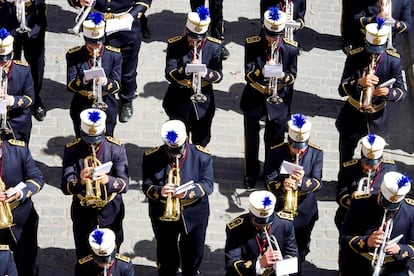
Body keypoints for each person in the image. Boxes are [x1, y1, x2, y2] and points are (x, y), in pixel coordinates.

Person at [142, 119, 214, 275]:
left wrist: (187, 193)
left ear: (186, 140)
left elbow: (208, 185)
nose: (175, 155)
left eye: (179, 150)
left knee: (193, 253)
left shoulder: (202, 156)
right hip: (162, 212)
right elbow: (146, 185)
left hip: (194, 213)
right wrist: (159, 191)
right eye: (170, 151)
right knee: (166, 253)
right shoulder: (151, 157)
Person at [61, 108, 129, 263]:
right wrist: (80, 181)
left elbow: (125, 184)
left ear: (104, 130)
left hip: (110, 208)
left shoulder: (116, 148)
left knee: (113, 247)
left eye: (97, 139)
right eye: (88, 139)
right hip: (83, 210)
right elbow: (65, 186)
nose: (93, 144)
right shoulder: (72, 149)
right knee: (84, 250)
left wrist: (108, 180)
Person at [241, 7, 298, 189]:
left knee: (275, 139)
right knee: (251, 138)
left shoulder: (289, 48)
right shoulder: (253, 44)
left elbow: (293, 75)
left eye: (276, 36)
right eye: (269, 35)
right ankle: (251, 171)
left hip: (279, 97)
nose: (273, 39)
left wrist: (281, 75)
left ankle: (270, 172)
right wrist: (262, 71)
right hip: (256, 95)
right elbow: (248, 74)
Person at [67, 0, 152, 123]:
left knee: (128, 71)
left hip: (125, 27)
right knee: (98, 64)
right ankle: (99, 93)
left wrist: (133, 14)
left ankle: (127, 99)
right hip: (96, 25)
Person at [335, 19, 406, 166]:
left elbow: (401, 91)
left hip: (377, 118)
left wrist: (388, 92)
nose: (374, 56)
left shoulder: (393, 61)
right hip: (353, 115)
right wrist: (359, 83)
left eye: (378, 51)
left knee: (371, 159)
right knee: (346, 156)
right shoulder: (355, 56)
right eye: (371, 50)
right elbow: (342, 89)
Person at [264, 113, 322, 270]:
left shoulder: (316, 153)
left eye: (301, 148)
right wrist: (283, 185)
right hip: (280, 206)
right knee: (278, 240)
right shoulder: (276, 152)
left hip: (304, 207)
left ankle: (296, 267)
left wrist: (302, 182)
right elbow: (268, 180)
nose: (297, 152)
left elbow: (317, 183)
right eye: (294, 147)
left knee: (301, 243)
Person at [163, 6, 223, 147]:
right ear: (186, 31)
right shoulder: (175, 44)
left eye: (199, 39)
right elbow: (169, 73)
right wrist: (186, 69)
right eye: (191, 37)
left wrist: (205, 72)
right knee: (178, 139)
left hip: (204, 100)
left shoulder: (214, 47)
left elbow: (219, 75)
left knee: (202, 138)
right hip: (178, 97)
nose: (194, 42)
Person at [340, 171, 414, 275]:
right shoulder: (359, 204)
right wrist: (366, 242)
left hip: (394, 269)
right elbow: (344, 238)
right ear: (379, 190)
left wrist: (401, 249)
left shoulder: (411, 211)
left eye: (393, 206)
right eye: (384, 202)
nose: (387, 209)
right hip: (361, 266)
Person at [66, 12, 122, 137]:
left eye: (99, 43)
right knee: (81, 136)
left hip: (106, 101)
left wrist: (105, 82)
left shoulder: (114, 55)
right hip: (82, 102)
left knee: (107, 136)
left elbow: (117, 85)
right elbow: (70, 86)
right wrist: (84, 79)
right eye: (92, 43)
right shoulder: (74, 55)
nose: (96, 47)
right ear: (86, 40)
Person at [0, 131, 45, 276]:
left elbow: (37, 179)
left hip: (21, 218)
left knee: (26, 261)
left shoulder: (19, 150)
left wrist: (21, 192)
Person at [225, 190, 298, 275]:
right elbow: (231, 264)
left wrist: (281, 266)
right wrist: (259, 264)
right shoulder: (236, 229)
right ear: (250, 212)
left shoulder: (285, 224)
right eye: (259, 222)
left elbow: (292, 253)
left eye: (267, 221)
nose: (263, 225)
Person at [335, 133, 397, 232]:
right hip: (350, 218)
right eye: (366, 163)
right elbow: (340, 195)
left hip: (375, 220)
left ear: (380, 160)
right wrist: (351, 199)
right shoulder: (348, 168)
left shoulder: (389, 168)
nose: (369, 168)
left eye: (373, 165)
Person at [0, 0, 47, 121]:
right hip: (8, 18)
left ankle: (35, 99)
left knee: (36, 64)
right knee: (7, 62)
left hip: (33, 19)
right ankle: (8, 98)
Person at [0, 28, 34, 143]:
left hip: (17, 124)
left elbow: (30, 99)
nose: (2, 64)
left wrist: (12, 100)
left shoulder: (23, 70)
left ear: (12, 54)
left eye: (5, 60)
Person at [347, 0, 412, 51]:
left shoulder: (403, 1)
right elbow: (356, 17)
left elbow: (408, 25)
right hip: (364, 40)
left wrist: (392, 23)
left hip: (387, 43)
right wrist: (375, 19)